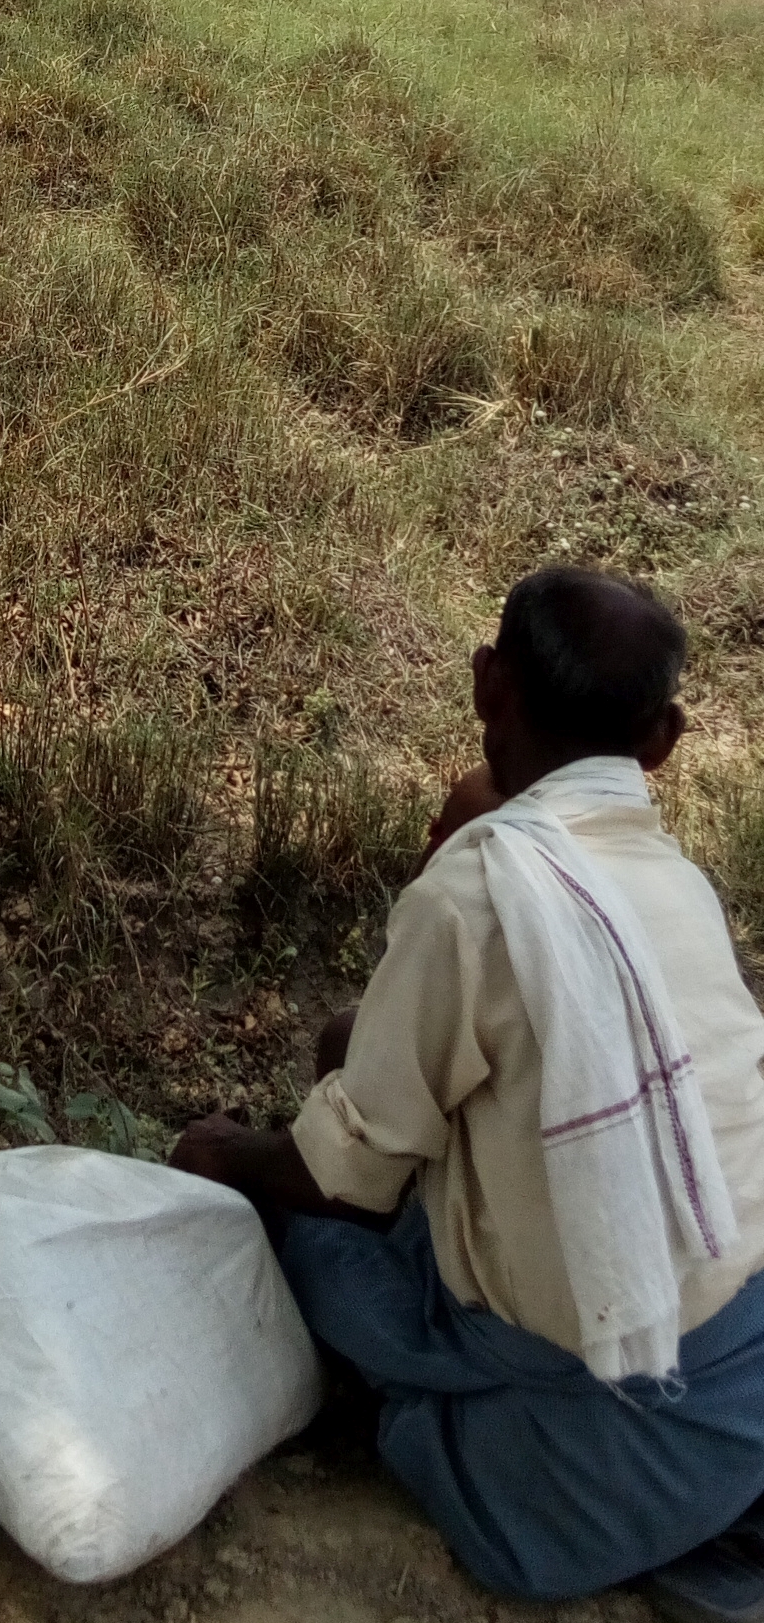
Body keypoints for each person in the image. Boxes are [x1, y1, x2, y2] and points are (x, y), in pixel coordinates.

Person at [170, 565, 764, 1610]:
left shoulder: (475, 897)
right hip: (743, 1325)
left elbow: (337, 1176)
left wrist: (221, 1155)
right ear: (662, 740)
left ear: (487, 683)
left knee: (306, 1251)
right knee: (356, 1049)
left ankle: (574, 1464)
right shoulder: (675, 881)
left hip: (633, 1405)